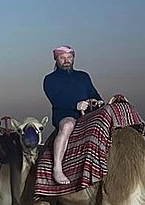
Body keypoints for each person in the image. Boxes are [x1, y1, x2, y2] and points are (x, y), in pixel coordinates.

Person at [43, 45, 103, 184]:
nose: (66, 61)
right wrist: (75, 105)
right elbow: (56, 99)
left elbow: (94, 94)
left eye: (69, 58)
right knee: (67, 126)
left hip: (87, 113)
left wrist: (97, 101)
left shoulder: (83, 76)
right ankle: (57, 168)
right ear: (56, 60)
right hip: (65, 113)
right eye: (62, 58)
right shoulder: (50, 79)